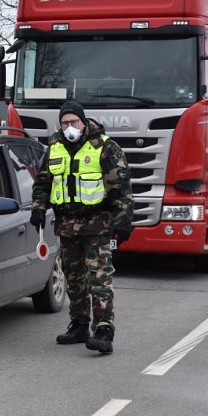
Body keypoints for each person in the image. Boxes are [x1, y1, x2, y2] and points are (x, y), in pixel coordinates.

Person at [29, 100, 133, 354]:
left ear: (84, 122)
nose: (69, 127)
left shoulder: (105, 147)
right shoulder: (54, 148)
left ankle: (104, 329)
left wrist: (123, 221)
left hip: (97, 224)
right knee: (73, 278)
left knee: (99, 278)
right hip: (67, 225)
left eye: (73, 121)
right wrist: (38, 208)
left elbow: (120, 187)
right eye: (64, 123)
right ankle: (79, 324)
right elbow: (43, 183)